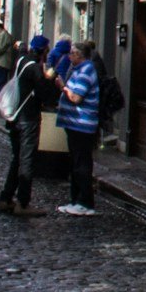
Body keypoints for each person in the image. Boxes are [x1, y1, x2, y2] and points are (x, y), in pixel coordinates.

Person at [0, 35, 54, 217]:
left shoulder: (21, 60)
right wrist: (50, 79)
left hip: (14, 117)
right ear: (44, 50)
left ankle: (6, 198)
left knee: (17, 158)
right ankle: (23, 202)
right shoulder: (35, 69)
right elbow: (44, 94)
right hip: (28, 118)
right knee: (27, 160)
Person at [55, 40, 103, 214]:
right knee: (75, 163)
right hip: (75, 124)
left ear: (80, 55)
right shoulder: (78, 70)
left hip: (82, 125)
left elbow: (76, 98)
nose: (69, 56)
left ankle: (85, 202)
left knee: (81, 164)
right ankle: (76, 200)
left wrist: (63, 87)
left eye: (72, 53)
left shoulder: (86, 71)